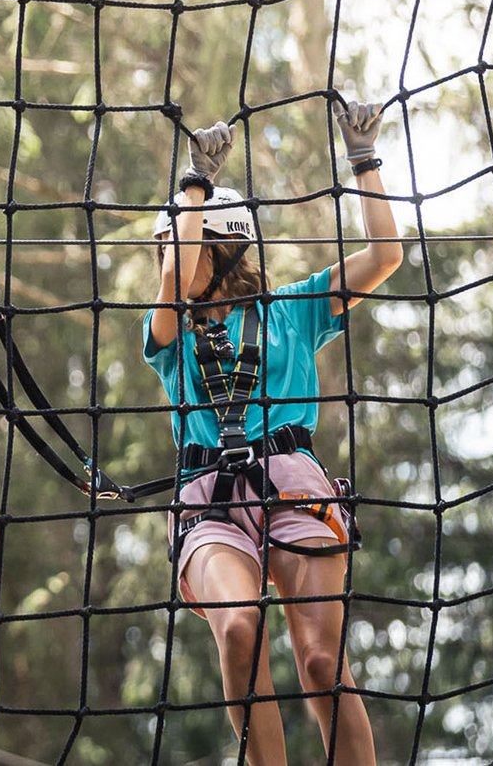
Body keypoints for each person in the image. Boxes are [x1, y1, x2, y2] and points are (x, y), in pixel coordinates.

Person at [143, 101, 401, 765]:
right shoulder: (171, 333)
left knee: (319, 659)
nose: (166, 257)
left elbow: (385, 254)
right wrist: (192, 184)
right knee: (238, 628)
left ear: (222, 249)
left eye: (178, 239)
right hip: (210, 503)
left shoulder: (294, 309)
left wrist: (364, 161)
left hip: (292, 484)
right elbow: (174, 280)